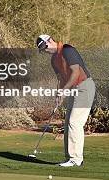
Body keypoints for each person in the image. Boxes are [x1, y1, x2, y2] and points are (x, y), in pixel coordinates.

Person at [36, 34, 96, 167]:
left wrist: (64, 90)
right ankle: (69, 158)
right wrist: (59, 93)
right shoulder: (53, 60)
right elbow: (61, 79)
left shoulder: (68, 50)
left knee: (75, 122)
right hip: (74, 88)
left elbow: (75, 72)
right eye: (43, 50)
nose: (45, 51)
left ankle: (76, 159)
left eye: (45, 47)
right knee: (68, 122)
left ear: (50, 41)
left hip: (84, 86)